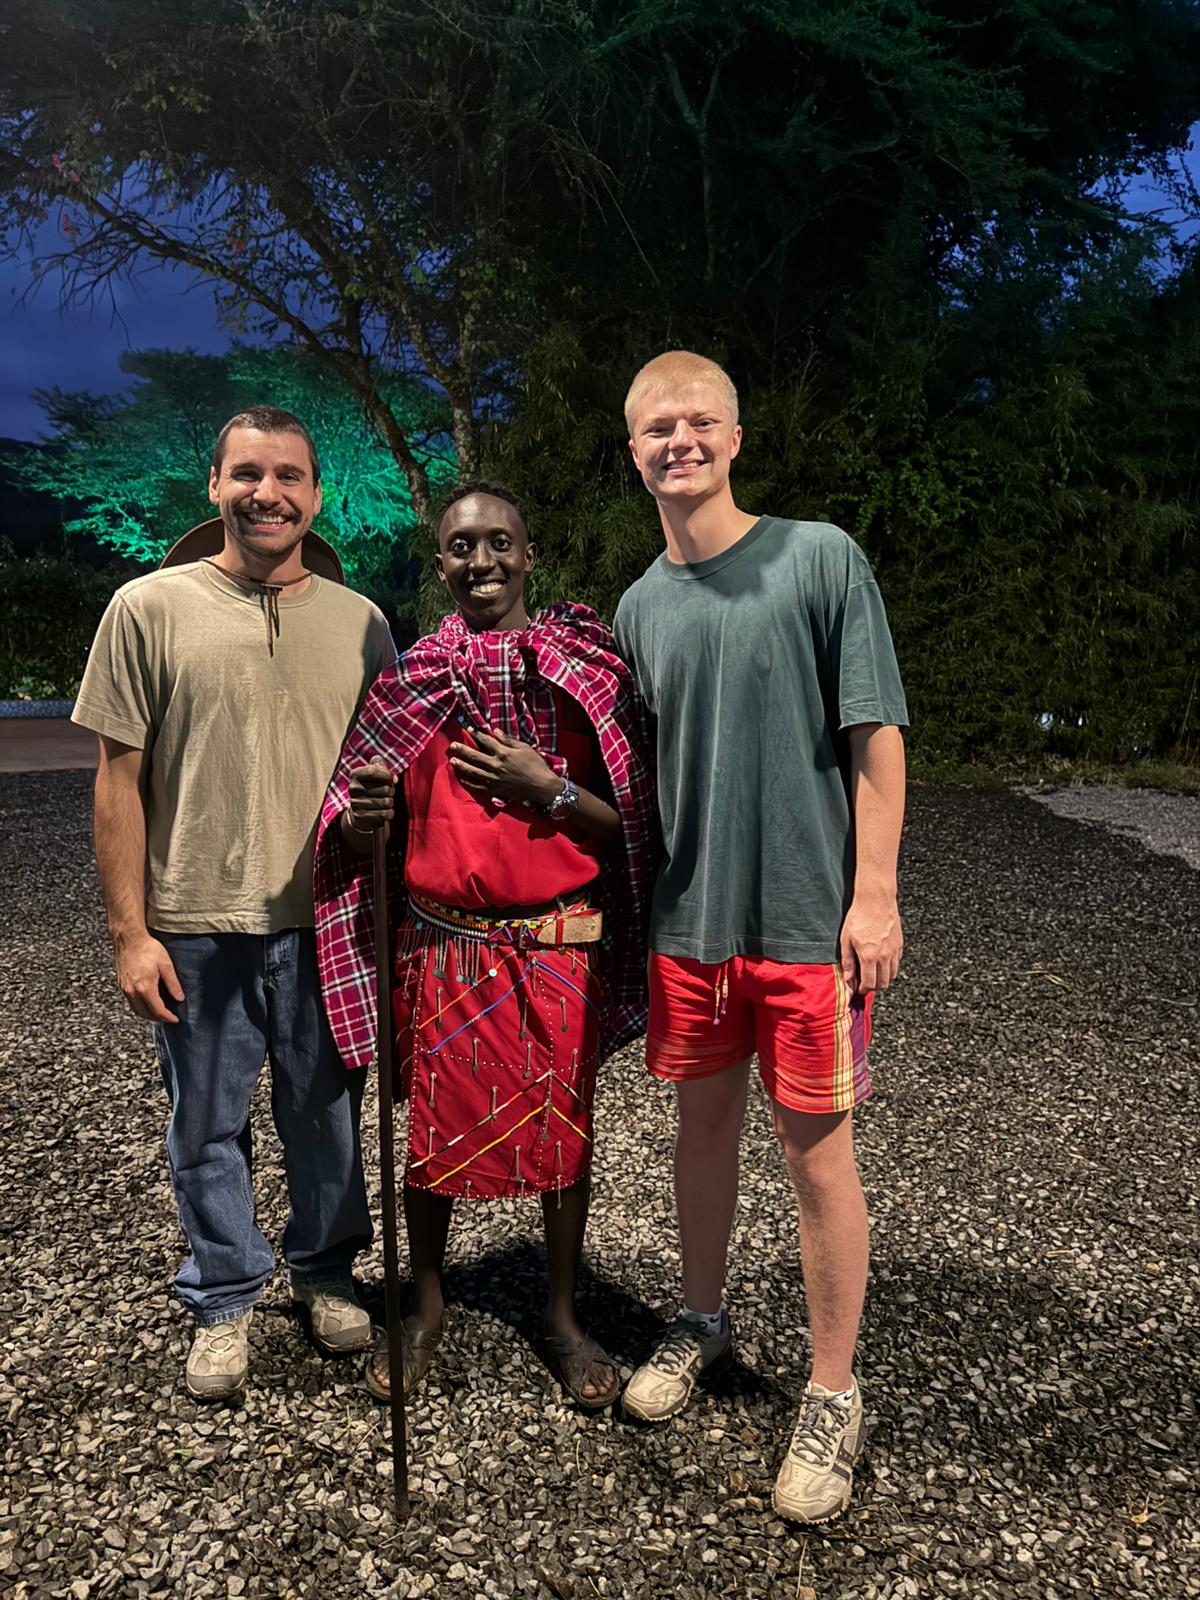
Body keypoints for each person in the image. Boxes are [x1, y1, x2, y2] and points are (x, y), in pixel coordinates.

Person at [613, 352, 908, 1523]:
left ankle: (833, 1391)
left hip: (802, 923)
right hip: (691, 923)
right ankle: (701, 1319)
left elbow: (875, 735)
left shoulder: (818, 556)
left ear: (734, 437)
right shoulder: (638, 607)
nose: (677, 441)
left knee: (816, 1152)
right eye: (655, 428)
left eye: (697, 422)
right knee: (702, 1127)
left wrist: (872, 892)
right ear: (632, 451)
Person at [72, 406, 395, 1401]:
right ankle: (222, 1293)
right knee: (204, 1122)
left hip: (324, 917)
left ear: (316, 495)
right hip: (195, 920)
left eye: (289, 475)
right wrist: (131, 932)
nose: (269, 492)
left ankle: (327, 1269)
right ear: (213, 483)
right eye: (247, 472)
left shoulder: (363, 623)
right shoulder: (147, 608)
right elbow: (116, 778)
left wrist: (382, 821)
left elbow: (383, 777)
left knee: (326, 1112)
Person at [313, 482, 657, 1409]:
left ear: (530, 553)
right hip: (444, 944)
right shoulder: (412, 681)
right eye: (462, 546)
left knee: (564, 1139)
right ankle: (424, 1305)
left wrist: (544, 785)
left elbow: (629, 825)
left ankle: (561, 1316)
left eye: (500, 542)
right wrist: (364, 820)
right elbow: (358, 828)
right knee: (430, 1135)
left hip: (555, 945)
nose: (482, 562)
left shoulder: (585, 673)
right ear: (441, 564)